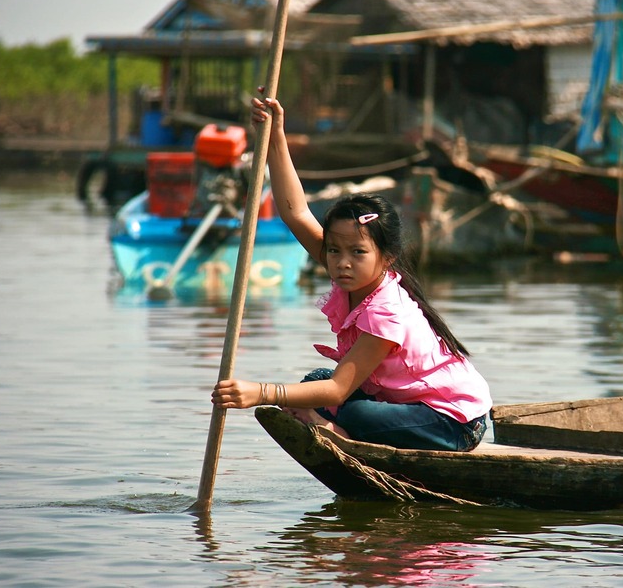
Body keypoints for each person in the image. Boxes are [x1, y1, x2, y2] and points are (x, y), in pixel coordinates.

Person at [210, 90, 492, 452]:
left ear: (387, 258)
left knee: (346, 406)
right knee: (314, 380)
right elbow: (295, 213)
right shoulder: (349, 272)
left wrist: (261, 392)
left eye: (358, 252)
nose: (342, 263)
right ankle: (336, 427)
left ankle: (339, 434)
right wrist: (276, 135)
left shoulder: (385, 311)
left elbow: (338, 390)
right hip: (403, 403)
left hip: (453, 423)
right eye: (334, 250)